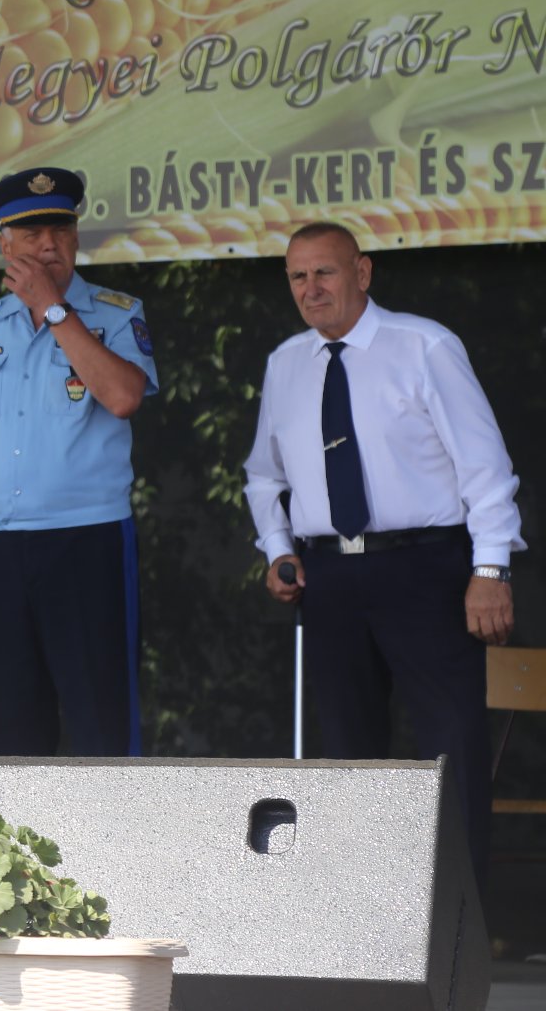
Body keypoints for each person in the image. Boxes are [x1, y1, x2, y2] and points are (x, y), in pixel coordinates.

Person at [243, 221, 519, 884]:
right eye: (298, 277)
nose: (311, 289)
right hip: (331, 575)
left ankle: (459, 923)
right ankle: (353, 915)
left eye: (325, 272)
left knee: (449, 748)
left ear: (362, 272)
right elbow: (262, 473)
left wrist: (489, 567)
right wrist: (279, 549)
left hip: (424, 566)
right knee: (344, 758)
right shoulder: (286, 363)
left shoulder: (424, 346)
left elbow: (484, 466)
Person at [0, 168, 156, 759]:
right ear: (6, 245)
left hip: (84, 540)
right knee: (10, 736)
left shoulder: (115, 312)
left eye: (59, 229)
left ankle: (113, 853)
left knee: (99, 724)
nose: (47, 245)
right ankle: (19, 853)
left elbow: (125, 397)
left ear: (78, 237)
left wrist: (57, 312)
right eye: (30, 235)